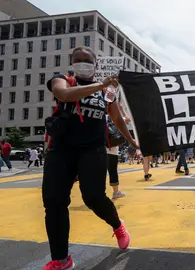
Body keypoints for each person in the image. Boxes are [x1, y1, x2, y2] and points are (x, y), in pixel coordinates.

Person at [42, 46, 138, 270]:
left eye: (87, 60)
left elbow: (115, 116)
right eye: (78, 59)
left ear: (95, 64)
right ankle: (61, 259)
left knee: (93, 197)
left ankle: (117, 225)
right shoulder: (62, 80)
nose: (82, 63)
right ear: (71, 62)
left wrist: (131, 140)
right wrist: (101, 85)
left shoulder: (107, 91)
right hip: (61, 150)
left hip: (92, 150)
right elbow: (64, 94)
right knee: (54, 202)